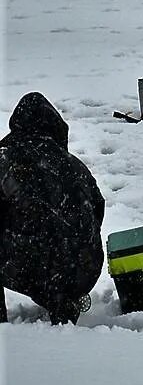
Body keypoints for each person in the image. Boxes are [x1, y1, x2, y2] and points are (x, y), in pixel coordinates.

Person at [0, 92, 105, 325]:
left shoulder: (5, 159)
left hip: (33, 269)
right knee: (51, 247)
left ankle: (4, 326)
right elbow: (97, 210)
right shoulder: (74, 164)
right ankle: (61, 298)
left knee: (36, 247)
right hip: (84, 271)